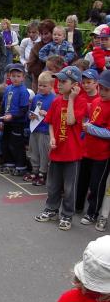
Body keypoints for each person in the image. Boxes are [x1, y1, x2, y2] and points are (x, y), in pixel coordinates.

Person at [35, 66, 88, 231]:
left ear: (74, 85)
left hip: (72, 153)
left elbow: (71, 121)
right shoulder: (57, 100)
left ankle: (66, 215)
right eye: (58, 80)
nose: (58, 84)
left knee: (69, 187)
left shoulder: (80, 102)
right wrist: (51, 137)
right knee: (53, 184)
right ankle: (51, 210)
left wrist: (71, 99)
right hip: (56, 150)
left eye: (63, 81)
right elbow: (50, 121)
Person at [75, 70, 110, 224]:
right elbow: (91, 120)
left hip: (102, 154)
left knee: (97, 185)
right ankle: (77, 205)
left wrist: (90, 128)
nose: (102, 92)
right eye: (101, 88)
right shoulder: (96, 102)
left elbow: (108, 132)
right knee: (82, 180)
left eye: (106, 90)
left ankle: (93, 212)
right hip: (87, 149)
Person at [23, 71, 55, 186]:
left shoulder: (54, 99)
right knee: (34, 151)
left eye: (44, 86)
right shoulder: (36, 97)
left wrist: (46, 114)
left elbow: (55, 117)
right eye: (39, 85)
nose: (41, 87)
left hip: (45, 131)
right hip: (35, 128)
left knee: (44, 153)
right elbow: (31, 111)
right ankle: (34, 170)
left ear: (51, 86)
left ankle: (43, 173)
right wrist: (30, 115)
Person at [0, 63, 30, 176]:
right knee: (6, 142)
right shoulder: (8, 89)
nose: (15, 78)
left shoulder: (23, 91)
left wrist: (13, 116)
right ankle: (9, 163)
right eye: (13, 76)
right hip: (7, 121)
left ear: (23, 77)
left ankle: (20, 165)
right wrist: (1, 120)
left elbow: (24, 110)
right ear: (9, 76)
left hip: (17, 122)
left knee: (17, 144)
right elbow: (3, 105)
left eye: (18, 76)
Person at [27, 19, 55, 93]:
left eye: (46, 34)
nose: (43, 37)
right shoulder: (37, 47)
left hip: (56, 84)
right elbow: (30, 66)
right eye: (41, 34)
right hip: (39, 85)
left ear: (52, 33)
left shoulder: (62, 45)